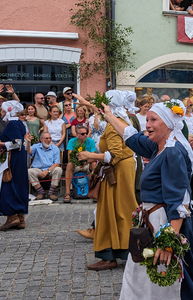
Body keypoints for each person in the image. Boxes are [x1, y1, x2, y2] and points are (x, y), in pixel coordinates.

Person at [103, 99, 193, 299]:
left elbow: (179, 198)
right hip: (156, 221)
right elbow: (132, 137)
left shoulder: (172, 152)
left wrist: (169, 241)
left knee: (172, 280)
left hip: (167, 223)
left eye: (153, 120)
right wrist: (110, 116)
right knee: (146, 277)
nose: (148, 125)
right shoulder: (158, 146)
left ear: (168, 123)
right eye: (147, 120)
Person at [79, 91, 137, 271]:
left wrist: (90, 155)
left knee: (115, 211)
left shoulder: (113, 127)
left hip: (118, 171)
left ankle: (111, 254)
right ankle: (122, 251)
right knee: (119, 210)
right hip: (121, 170)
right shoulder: (122, 121)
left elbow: (114, 154)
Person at [0, 101, 29, 231]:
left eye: (2, 110)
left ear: (9, 111)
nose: (1, 112)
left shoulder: (13, 124)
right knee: (18, 184)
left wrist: (0, 143)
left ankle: (13, 216)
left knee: (8, 184)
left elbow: (17, 143)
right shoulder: (20, 123)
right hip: (19, 157)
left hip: (14, 158)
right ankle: (20, 218)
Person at [63, 125, 96, 204]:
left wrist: (85, 161)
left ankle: (94, 192)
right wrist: (79, 162)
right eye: (82, 134)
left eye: (86, 133)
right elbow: (70, 158)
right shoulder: (72, 141)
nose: (85, 135)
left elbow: (94, 157)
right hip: (76, 164)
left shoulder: (91, 141)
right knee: (69, 165)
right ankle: (67, 192)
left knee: (94, 164)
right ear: (77, 135)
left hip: (87, 163)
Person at [26, 131, 62, 201]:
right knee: (29, 171)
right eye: (46, 138)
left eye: (50, 138)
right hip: (38, 168)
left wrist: (47, 171)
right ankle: (40, 192)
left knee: (58, 169)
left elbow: (57, 163)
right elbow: (29, 151)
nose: (48, 140)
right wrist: (28, 142)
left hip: (50, 169)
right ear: (41, 139)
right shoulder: (36, 146)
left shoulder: (55, 148)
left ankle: (51, 192)